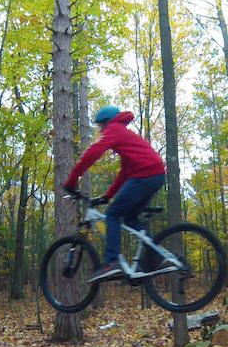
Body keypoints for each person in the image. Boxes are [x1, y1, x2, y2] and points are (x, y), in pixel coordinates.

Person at [64, 106, 166, 282]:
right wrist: (107, 196)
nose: (100, 130)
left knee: (113, 214)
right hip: (154, 175)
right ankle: (157, 257)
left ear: (106, 122)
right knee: (129, 219)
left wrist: (72, 180)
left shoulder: (114, 129)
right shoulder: (123, 136)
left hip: (146, 175)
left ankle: (112, 262)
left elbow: (92, 153)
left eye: (100, 126)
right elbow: (125, 172)